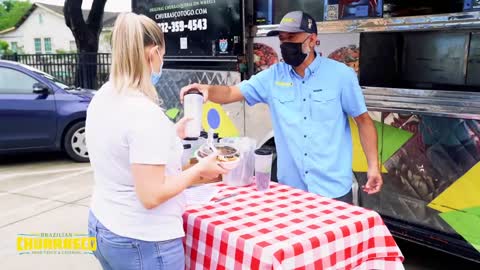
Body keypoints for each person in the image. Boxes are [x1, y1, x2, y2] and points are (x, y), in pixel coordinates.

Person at [180, 11, 382, 203]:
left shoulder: (341, 75)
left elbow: (363, 121)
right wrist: (206, 89)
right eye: (282, 39)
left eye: (292, 38)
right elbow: (232, 92)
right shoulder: (273, 76)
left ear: (312, 40)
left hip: (332, 191)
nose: (285, 45)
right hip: (291, 191)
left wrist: (373, 166)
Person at [85, 13, 227, 270]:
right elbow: (151, 195)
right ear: (152, 53)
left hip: (104, 225)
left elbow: (124, 148)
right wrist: (198, 171)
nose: (162, 61)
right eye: (162, 53)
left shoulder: (104, 95)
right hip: (142, 241)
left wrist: (171, 134)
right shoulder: (143, 112)